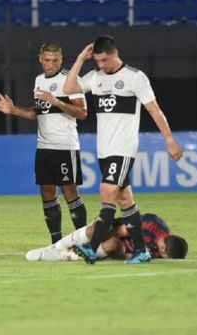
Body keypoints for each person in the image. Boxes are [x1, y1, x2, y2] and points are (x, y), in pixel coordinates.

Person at [63, 35, 184, 264]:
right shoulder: (96, 77)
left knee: (107, 192)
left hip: (123, 149)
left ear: (115, 54)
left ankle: (91, 247)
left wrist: (169, 140)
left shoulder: (135, 78)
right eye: (97, 61)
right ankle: (141, 251)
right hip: (104, 151)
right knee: (125, 201)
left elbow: (155, 110)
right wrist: (80, 58)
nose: (101, 65)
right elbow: (69, 88)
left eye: (104, 60)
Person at [0, 42, 88, 243]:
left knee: (70, 192)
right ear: (40, 59)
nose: (50, 64)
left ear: (61, 59)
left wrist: (59, 102)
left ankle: (86, 243)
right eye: (46, 60)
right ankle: (56, 243)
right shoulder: (38, 81)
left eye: (55, 60)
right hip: (44, 147)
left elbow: (82, 112)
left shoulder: (71, 80)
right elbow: (39, 112)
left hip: (65, 146)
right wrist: (14, 110)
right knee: (46, 192)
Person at [25, 213, 188, 262]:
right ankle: (54, 248)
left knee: (112, 245)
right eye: (163, 253)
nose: (160, 256)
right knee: (93, 232)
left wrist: (125, 255)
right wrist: (96, 239)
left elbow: (135, 254)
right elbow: (121, 231)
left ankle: (65, 256)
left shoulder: (166, 244)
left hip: (122, 246)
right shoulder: (151, 224)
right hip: (114, 228)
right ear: (164, 247)